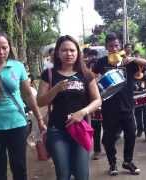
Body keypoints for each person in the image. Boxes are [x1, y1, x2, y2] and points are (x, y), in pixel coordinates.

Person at [37, 35, 101, 180]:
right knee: (63, 174)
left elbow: (97, 100)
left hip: (81, 129)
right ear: (57, 53)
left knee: (82, 174)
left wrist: (82, 112)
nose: (69, 54)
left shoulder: (86, 74)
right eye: (64, 50)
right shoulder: (49, 74)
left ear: (78, 53)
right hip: (57, 130)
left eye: (72, 50)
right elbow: (40, 101)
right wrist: (55, 89)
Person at [92, 32, 146, 176]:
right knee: (109, 138)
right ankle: (112, 163)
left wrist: (132, 58)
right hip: (109, 107)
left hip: (127, 105)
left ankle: (127, 161)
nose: (114, 48)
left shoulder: (128, 62)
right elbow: (91, 77)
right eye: (111, 46)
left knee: (131, 133)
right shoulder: (102, 62)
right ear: (107, 47)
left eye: (116, 45)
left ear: (120, 46)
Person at [0, 31, 45, 180]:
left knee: (19, 167)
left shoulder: (17, 66)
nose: (1, 52)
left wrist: (39, 118)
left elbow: (28, 94)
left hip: (17, 124)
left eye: (4, 47)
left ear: (10, 47)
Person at [133, 50, 146, 141]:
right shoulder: (130, 77)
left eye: (140, 67)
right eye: (136, 67)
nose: (138, 69)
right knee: (138, 116)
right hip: (135, 100)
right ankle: (140, 130)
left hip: (145, 99)